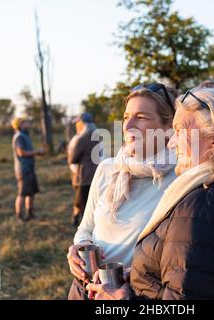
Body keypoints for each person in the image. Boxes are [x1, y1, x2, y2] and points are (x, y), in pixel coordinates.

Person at [86, 88, 214, 300]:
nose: (172, 142)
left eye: (180, 131)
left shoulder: (203, 206)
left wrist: (124, 300)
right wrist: (139, 277)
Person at [67, 83, 178, 300]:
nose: (128, 127)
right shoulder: (108, 169)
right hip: (84, 289)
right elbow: (86, 227)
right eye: (127, 117)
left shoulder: (180, 178)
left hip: (131, 295)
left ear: (168, 128)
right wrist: (80, 247)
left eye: (142, 117)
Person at [67, 112, 101, 227]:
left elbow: (73, 159)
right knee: (91, 201)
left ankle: (84, 224)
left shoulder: (82, 138)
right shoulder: (98, 136)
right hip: (95, 173)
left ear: (82, 123)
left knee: (81, 201)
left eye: (78, 122)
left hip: (83, 175)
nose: (77, 125)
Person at [11, 117, 44, 222]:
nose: (28, 124)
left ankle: (30, 213)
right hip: (23, 169)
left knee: (31, 192)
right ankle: (19, 216)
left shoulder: (25, 135)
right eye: (25, 122)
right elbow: (21, 153)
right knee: (22, 193)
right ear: (20, 125)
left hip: (29, 168)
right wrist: (37, 152)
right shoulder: (19, 137)